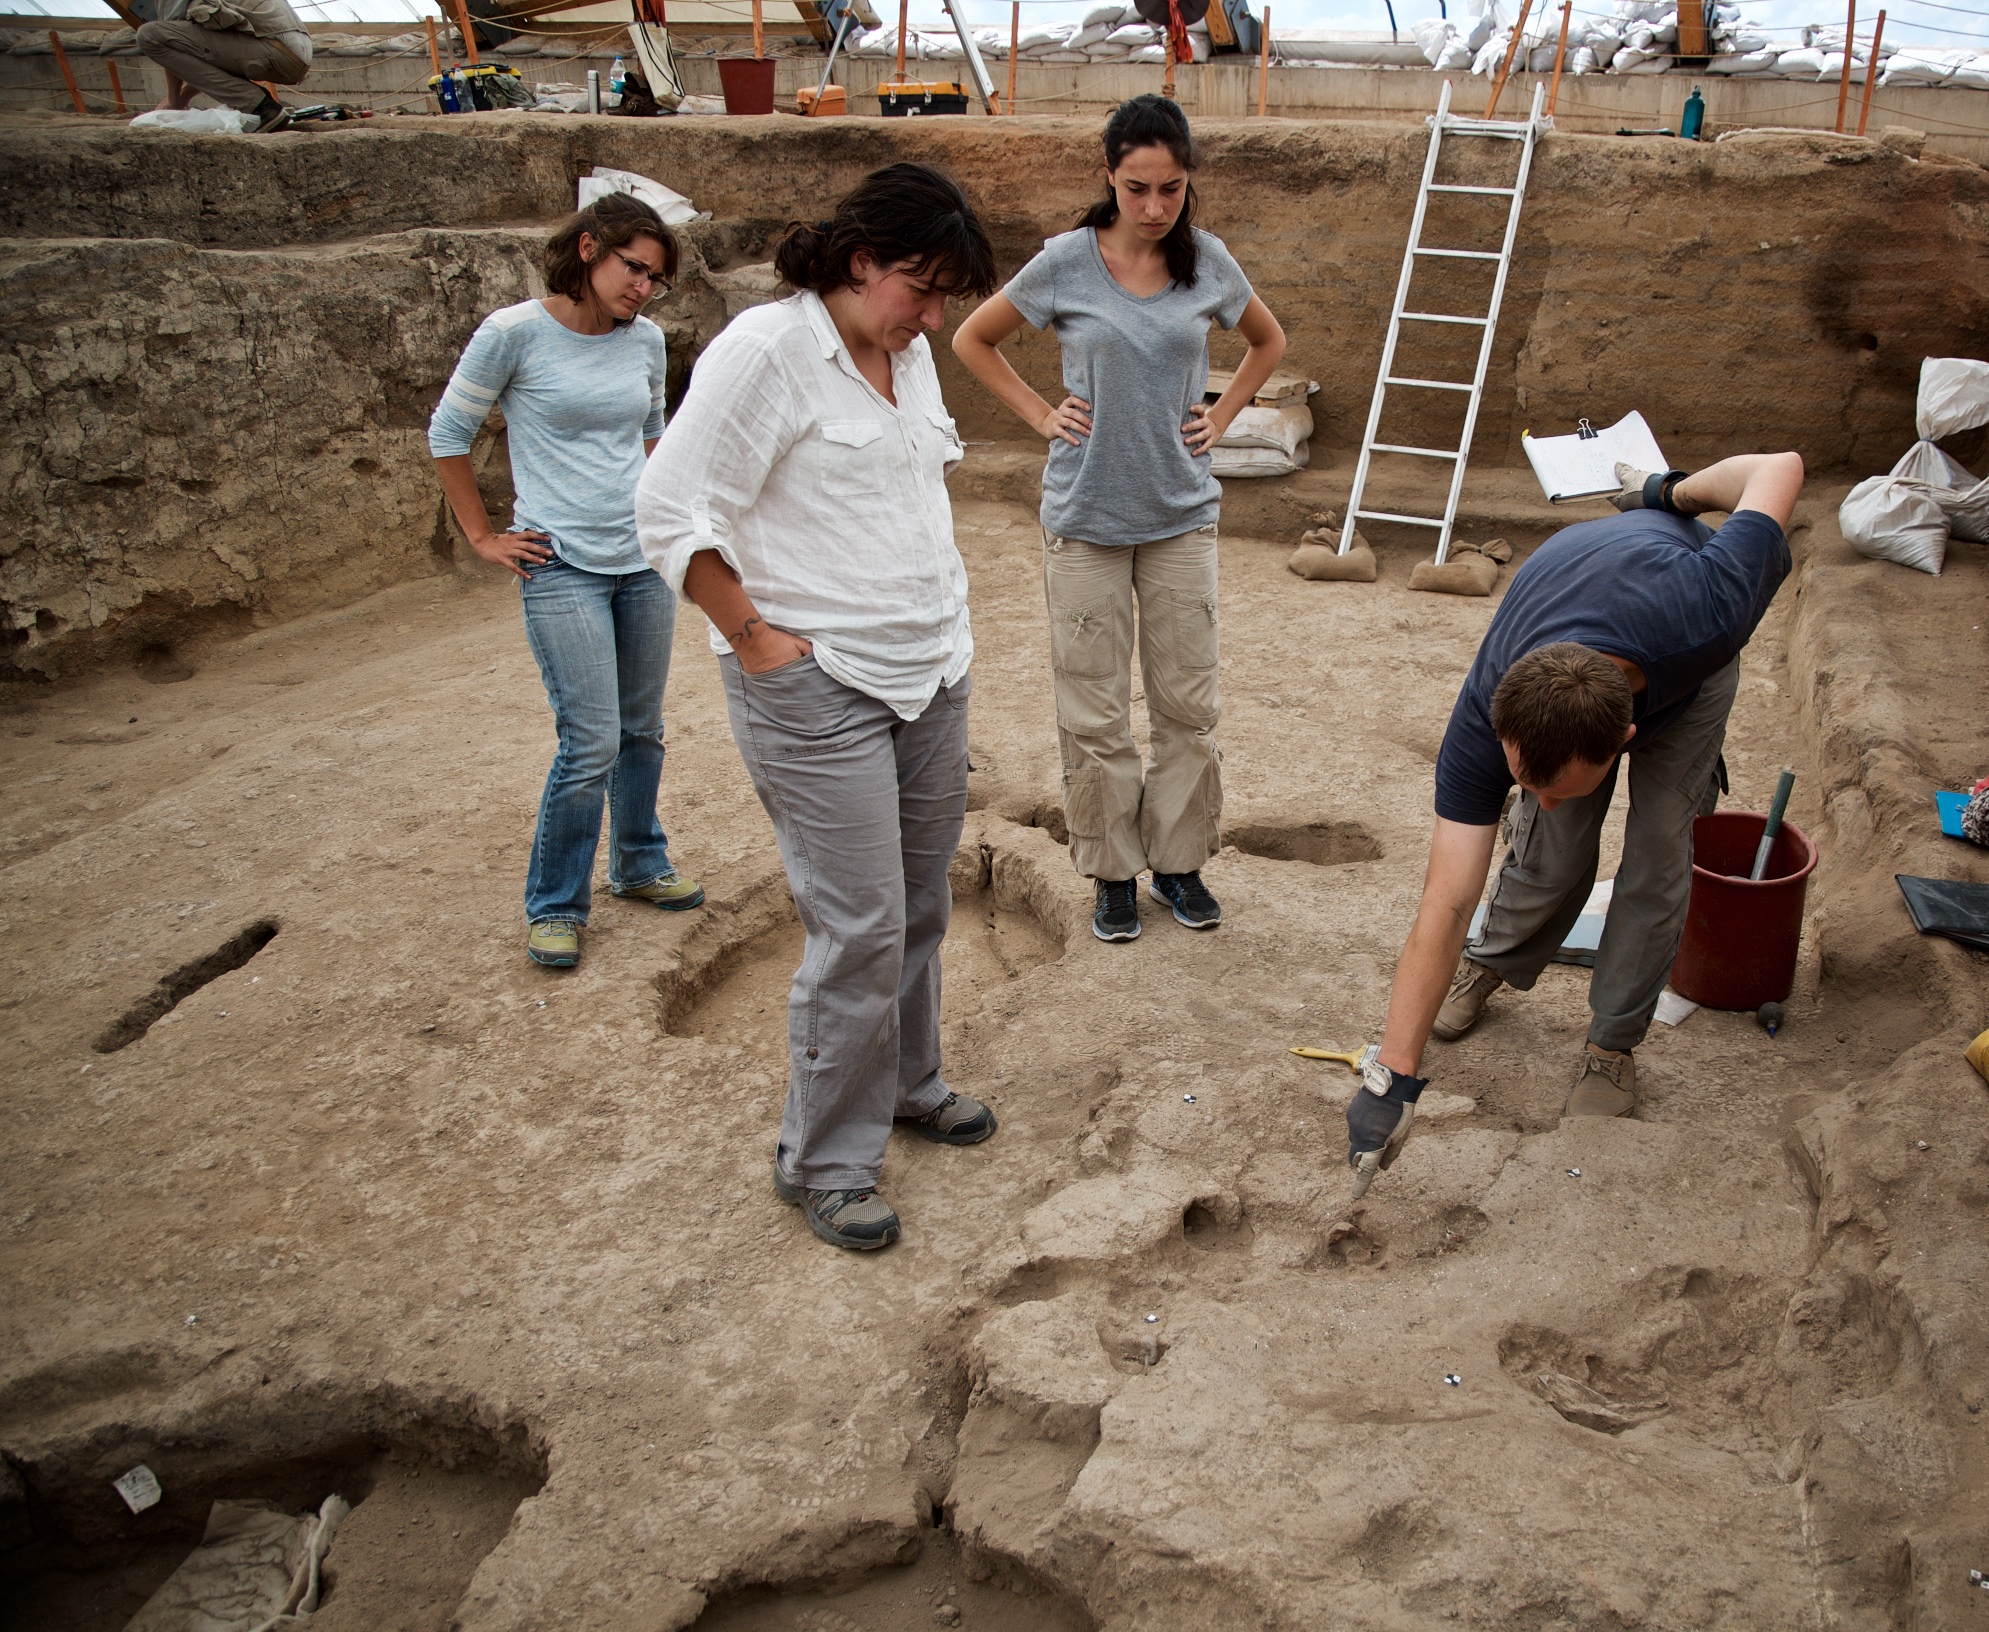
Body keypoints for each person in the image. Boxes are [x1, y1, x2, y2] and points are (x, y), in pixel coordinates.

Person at [634, 164, 1000, 1254]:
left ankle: (907, 1082)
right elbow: (668, 505)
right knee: (859, 927)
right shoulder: (765, 351)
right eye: (921, 289)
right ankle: (824, 1161)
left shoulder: (907, 350)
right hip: (816, 685)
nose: (933, 316)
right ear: (857, 261)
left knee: (922, 903)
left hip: (930, 670)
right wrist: (752, 639)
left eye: (943, 297)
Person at [1341, 454, 1805, 1191]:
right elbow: (1446, 898)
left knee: (1657, 851)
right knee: (1553, 843)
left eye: (1561, 784)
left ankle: (1613, 1045)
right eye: (1527, 780)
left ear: (1624, 739)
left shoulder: (1712, 604)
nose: (1540, 796)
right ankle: (1493, 962)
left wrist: (1671, 493)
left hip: (1683, 658)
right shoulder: (1484, 717)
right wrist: (1393, 1078)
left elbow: (1779, 467)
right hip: (1575, 585)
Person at [951, 94, 1287, 945]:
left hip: (1180, 517)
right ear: (1109, 176)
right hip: (1085, 516)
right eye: (1137, 187)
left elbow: (1267, 342)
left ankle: (1179, 864)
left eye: (1170, 188)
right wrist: (1038, 414)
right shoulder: (1065, 262)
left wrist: (1223, 414)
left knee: (1187, 705)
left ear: (1186, 184)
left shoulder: (1207, 262)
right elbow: (972, 339)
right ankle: (1110, 872)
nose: (1153, 206)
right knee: (1094, 709)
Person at [430, 192, 705, 973]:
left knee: (641, 729)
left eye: (655, 277)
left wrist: (675, 528)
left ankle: (639, 863)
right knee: (589, 741)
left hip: (641, 560)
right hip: (560, 566)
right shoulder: (513, 334)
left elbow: (654, 438)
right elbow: (448, 432)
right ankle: (555, 905)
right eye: (633, 267)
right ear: (588, 249)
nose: (643, 288)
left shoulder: (646, 341)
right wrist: (482, 536)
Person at [132, 0, 314, 133]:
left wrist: (173, 100)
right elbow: (210, 52)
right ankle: (259, 105)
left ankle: (260, 107)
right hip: (297, 51)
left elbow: (169, 35)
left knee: (149, 35)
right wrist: (185, 94)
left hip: (270, 49)